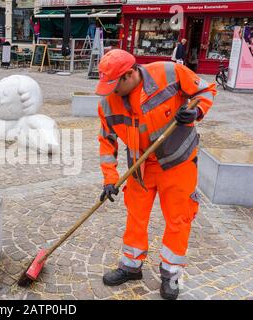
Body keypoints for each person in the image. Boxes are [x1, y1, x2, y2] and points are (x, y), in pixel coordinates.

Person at [96, 49, 216, 300]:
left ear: (129, 74)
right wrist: (109, 179)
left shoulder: (169, 72)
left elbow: (205, 90)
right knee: (135, 216)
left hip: (178, 163)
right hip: (140, 167)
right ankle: (131, 265)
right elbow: (106, 143)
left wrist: (196, 112)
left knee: (178, 218)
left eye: (113, 85)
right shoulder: (108, 103)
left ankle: (171, 273)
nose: (110, 91)